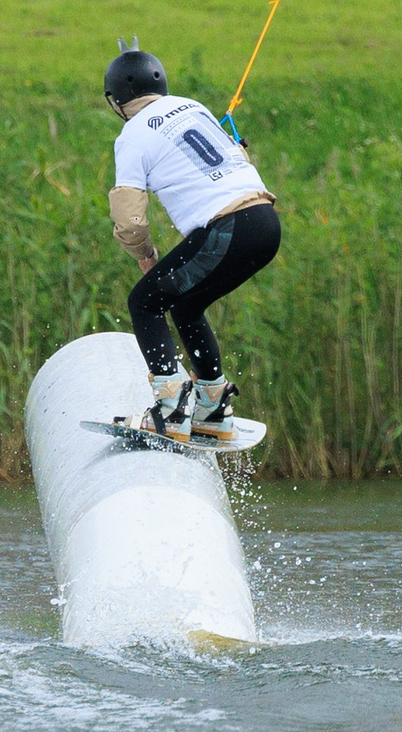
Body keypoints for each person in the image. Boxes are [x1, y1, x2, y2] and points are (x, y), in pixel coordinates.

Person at [102, 44, 281, 441]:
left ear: (116, 102)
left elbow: (129, 217)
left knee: (145, 302)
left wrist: (146, 256)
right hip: (266, 224)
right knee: (186, 304)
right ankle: (213, 407)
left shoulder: (131, 136)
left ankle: (170, 409)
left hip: (228, 227)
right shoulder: (192, 106)